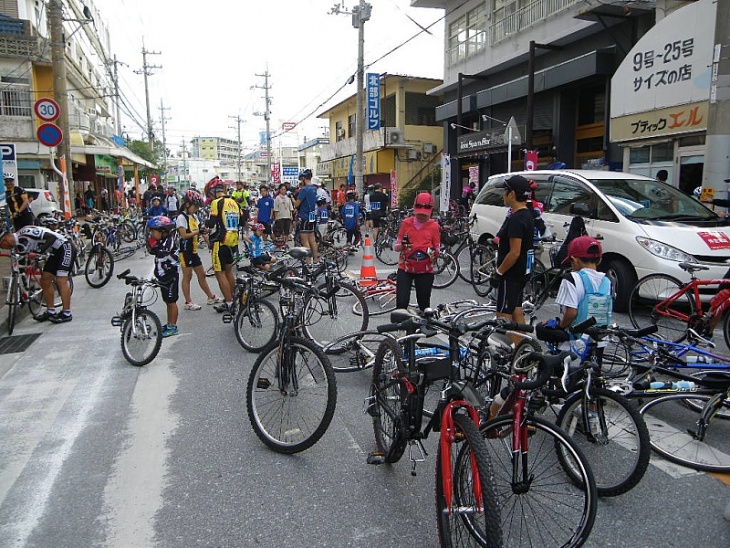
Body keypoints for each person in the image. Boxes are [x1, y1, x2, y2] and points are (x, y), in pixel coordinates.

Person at [536, 236, 612, 347]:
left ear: (574, 259)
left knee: (540, 328)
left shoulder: (571, 278)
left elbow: (571, 312)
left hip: (576, 337)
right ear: (599, 260)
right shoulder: (607, 281)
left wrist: (560, 326)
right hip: (599, 338)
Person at [0, 224, 76, 323]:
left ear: (5, 239)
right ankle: (50, 311)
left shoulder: (25, 232)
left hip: (65, 247)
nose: (5, 248)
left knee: (61, 280)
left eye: (2, 246)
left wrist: (39, 252)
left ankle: (66, 313)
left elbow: (51, 237)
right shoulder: (18, 244)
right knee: (45, 280)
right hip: (54, 252)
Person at [489, 175, 535, 334]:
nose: (503, 194)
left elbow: (515, 251)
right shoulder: (527, 215)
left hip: (511, 275)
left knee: (503, 316)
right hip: (522, 272)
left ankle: (516, 351)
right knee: (516, 311)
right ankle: (523, 349)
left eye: (505, 191)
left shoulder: (516, 218)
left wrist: (498, 272)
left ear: (512, 194)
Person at [393, 192, 440, 312]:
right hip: (405, 267)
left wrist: (432, 253)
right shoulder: (406, 223)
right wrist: (402, 246)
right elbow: (396, 246)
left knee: (424, 305)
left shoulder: (434, 226)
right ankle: (401, 328)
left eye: (425, 215)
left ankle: (422, 329)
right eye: (419, 213)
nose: (421, 217)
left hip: (425, 269)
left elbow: (437, 249)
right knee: (401, 303)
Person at [176, 190, 221, 310]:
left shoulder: (194, 216)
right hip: (185, 251)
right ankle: (188, 302)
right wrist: (198, 232)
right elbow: (184, 235)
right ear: (187, 205)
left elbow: (201, 231)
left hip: (194, 251)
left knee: (202, 274)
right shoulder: (181, 218)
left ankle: (211, 297)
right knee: (188, 276)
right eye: (195, 206)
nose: (196, 209)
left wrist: (208, 242)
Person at [205, 183, 240, 313]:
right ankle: (232, 300)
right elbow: (242, 221)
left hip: (220, 242)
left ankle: (229, 303)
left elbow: (211, 223)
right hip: (233, 241)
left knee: (219, 273)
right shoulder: (234, 202)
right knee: (229, 272)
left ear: (214, 192)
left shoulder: (216, 203)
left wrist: (204, 225)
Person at [147, 216, 180, 337]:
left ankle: (173, 327)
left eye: (153, 231)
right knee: (167, 301)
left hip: (170, 276)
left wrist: (155, 248)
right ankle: (169, 323)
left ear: (163, 231)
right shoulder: (163, 241)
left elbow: (163, 254)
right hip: (163, 276)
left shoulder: (169, 242)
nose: (151, 234)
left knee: (171, 301)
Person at [294, 168, 319, 262]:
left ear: (304, 178)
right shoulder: (314, 188)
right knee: (312, 238)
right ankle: (316, 259)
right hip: (312, 215)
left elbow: (297, 204)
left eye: (301, 179)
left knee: (305, 240)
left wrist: (293, 199)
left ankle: (308, 261)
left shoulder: (304, 190)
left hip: (304, 216)